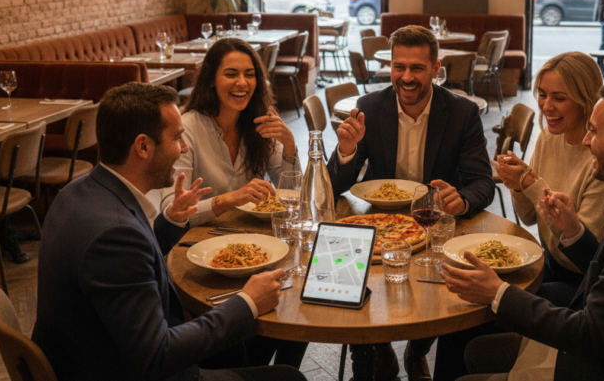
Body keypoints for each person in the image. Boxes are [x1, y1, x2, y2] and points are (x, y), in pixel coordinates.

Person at [33, 82, 304, 381]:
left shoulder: (78, 192)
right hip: (127, 370)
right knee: (289, 377)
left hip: (94, 352)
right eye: (176, 137)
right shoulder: (114, 237)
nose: (184, 148)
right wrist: (248, 302)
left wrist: (172, 220)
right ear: (143, 146)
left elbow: (135, 260)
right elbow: (158, 355)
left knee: (243, 344)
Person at [443, 83, 604, 381]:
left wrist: (497, 292)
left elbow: (588, 336)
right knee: (474, 351)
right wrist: (574, 231)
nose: (586, 140)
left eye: (593, 131)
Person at [328, 24, 496, 381]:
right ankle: (377, 350)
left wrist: (462, 200)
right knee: (351, 275)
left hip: (434, 225)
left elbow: (483, 183)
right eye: (398, 67)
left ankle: (417, 350)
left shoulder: (461, 113)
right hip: (378, 223)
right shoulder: (369, 108)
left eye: (417, 68)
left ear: (436, 69)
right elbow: (334, 186)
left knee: (439, 294)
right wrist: (346, 150)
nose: (406, 77)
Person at [496, 52, 604, 304]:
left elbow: (582, 257)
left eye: (559, 98)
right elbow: (528, 217)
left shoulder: (599, 159)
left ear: (586, 101)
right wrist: (518, 186)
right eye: (542, 94)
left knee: (493, 304)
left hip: (582, 284)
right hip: (547, 264)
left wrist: (531, 184)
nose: (546, 106)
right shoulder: (549, 137)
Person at [149, 38, 300, 226]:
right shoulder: (187, 129)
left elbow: (292, 195)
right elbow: (174, 211)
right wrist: (229, 199)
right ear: (211, 80)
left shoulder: (261, 121)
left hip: (251, 235)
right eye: (231, 74)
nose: (242, 83)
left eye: (249, 74)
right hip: (198, 239)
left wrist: (289, 145)